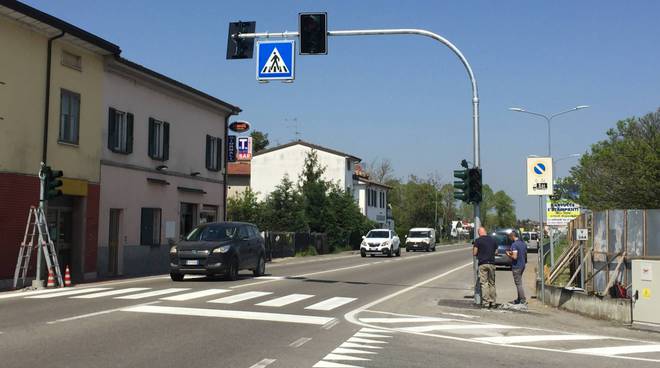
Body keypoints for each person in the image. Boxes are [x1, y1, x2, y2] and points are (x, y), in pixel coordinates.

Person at [473, 226, 497, 308]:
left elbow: (475, 253)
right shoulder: (493, 240)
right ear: (485, 231)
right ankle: (493, 302)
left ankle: (486, 303)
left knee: (484, 283)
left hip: (482, 264)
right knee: (492, 283)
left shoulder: (478, 240)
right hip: (492, 263)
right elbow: (496, 252)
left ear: (479, 233)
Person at [506, 231, 528, 305]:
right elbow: (524, 254)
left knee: (518, 283)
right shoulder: (523, 243)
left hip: (516, 266)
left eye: (510, 237)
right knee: (519, 282)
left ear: (512, 236)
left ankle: (522, 299)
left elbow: (515, 257)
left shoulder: (514, 244)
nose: (510, 239)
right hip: (522, 265)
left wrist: (508, 254)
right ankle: (519, 299)